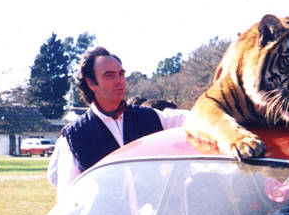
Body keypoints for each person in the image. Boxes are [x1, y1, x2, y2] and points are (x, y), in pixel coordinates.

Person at [48, 47, 188, 196]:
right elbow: (68, 195)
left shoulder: (151, 117)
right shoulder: (73, 136)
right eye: (110, 76)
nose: (120, 81)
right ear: (91, 83)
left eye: (121, 74)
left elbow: (192, 119)